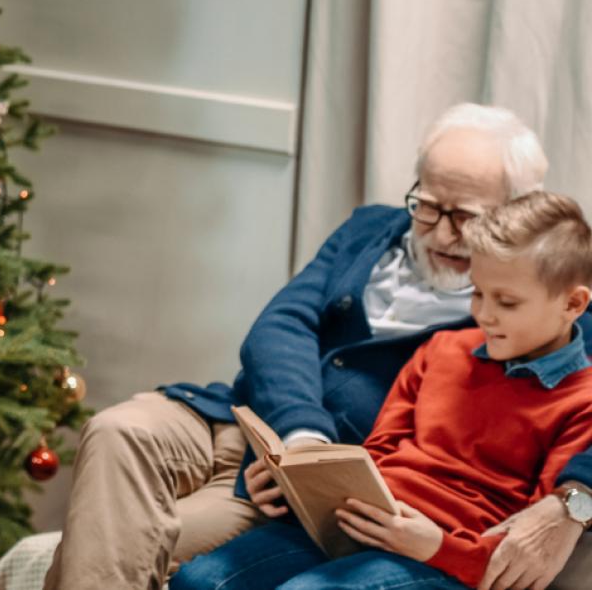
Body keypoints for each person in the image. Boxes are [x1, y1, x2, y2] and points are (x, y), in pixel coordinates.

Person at [45, 104, 591, 590]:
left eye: (465, 216)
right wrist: (300, 434)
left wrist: (575, 501)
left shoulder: (541, 295)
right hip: (253, 423)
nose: (442, 232)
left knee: (153, 560)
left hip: (302, 487)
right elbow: (282, 323)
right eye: (428, 205)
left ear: (514, 213)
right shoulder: (372, 230)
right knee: (118, 428)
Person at [174, 191, 592, 589]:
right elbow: (378, 452)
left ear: (573, 304)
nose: (483, 314)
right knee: (199, 580)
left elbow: (526, 545)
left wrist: (435, 547)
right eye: (477, 293)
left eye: (507, 302)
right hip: (363, 523)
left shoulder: (581, 402)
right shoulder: (441, 348)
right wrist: (300, 482)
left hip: (442, 557)